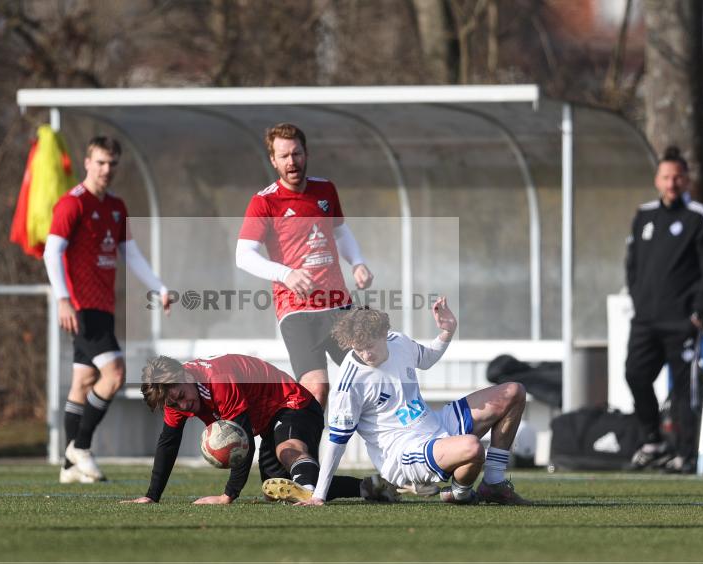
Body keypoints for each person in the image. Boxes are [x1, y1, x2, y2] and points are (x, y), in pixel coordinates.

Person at [275, 299, 531, 506]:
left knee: (513, 391)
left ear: (384, 334)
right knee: (473, 448)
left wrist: (446, 332)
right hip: (402, 454)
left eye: (370, 346)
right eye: (358, 348)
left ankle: (494, 483)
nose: (366, 354)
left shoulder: (399, 342)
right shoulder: (349, 383)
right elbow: (336, 442)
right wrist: (319, 495)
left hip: (435, 425)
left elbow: (427, 358)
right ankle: (460, 493)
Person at [43, 136, 171, 484]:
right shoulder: (72, 204)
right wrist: (63, 299)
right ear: (87, 162)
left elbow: (130, 253)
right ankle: (80, 447)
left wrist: (158, 287)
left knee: (83, 381)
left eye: (112, 163)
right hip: (81, 307)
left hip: (103, 306)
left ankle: (69, 467)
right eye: (100, 162)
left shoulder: (116, 206)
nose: (106, 169)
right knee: (114, 375)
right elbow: (51, 253)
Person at [123, 353, 398, 504]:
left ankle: (311, 493)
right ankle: (367, 488)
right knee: (272, 490)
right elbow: (167, 444)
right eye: (175, 403)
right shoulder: (174, 395)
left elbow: (243, 443)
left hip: (294, 404)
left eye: (182, 396)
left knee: (288, 451)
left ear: (184, 375)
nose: (185, 406)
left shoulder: (218, 381)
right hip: (267, 422)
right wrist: (151, 496)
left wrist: (227, 496)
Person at [236, 123, 373, 409]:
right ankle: (305, 453)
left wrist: (357, 263)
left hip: (338, 305)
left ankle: (391, 450)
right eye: (284, 156)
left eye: (296, 153)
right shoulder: (265, 202)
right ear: (273, 160)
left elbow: (340, 231)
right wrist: (285, 273)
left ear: (306, 153)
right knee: (316, 390)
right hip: (296, 310)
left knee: (369, 378)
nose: (292, 162)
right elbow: (244, 255)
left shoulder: (325, 190)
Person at [625, 146, 703, 474]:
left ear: (687, 180)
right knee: (636, 375)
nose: (672, 183)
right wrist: (639, 301)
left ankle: (685, 454)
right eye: (666, 177)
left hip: (682, 320)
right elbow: (632, 264)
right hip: (646, 319)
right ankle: (652, 441)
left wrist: (698, 310)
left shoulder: (699, 216)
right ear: (657, 180)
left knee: (683, 389)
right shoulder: (644, 215)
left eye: (678, 177)